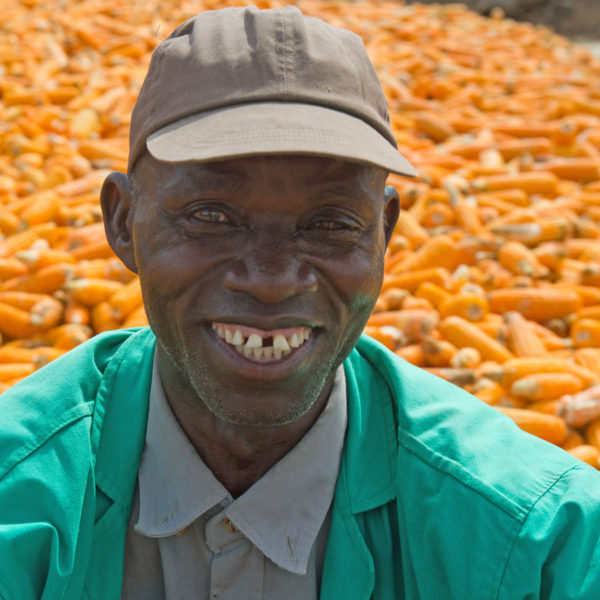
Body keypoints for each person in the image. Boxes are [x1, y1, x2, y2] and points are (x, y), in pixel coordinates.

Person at [0, 5, 599, 600]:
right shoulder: (17, 501)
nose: (271, 279)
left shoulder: (539, 546)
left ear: (385, 234)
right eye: (212, 216)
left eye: (331, 223)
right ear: (124, 222)